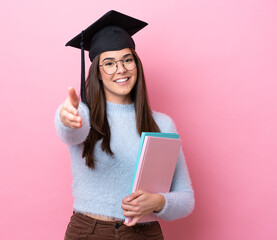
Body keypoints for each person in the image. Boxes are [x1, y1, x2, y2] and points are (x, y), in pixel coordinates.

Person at [55, 10, 194, 240]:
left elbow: (186, 198)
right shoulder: (84, 116)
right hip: (90, 233)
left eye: (127, 60)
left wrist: (159, 202)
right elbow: (69, 130)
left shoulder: (162, 124)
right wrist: (65, 118)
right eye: (109, 63)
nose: (121, 69)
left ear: (136, 65)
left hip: (144, 233)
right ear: (98, 72)